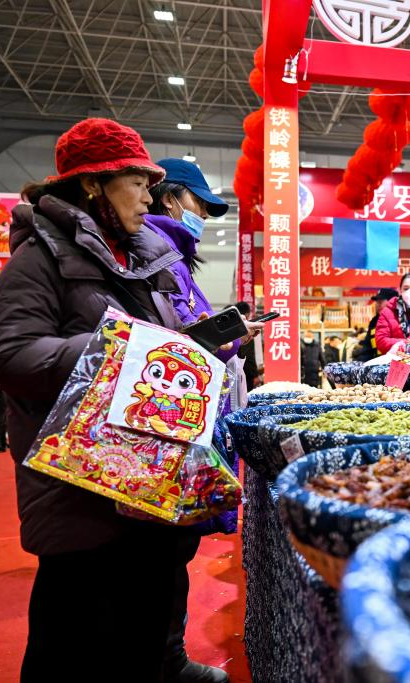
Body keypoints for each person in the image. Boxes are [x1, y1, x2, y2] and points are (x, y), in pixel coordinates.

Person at [0, 118, 187, 681]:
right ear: (93, 184)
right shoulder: (38, 257)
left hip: (146, 479)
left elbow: (158, 345)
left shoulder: (141, 258)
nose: (149, 198)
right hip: (79, 488)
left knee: (143, 639)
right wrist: (118, 348)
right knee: (73, 644)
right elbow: (9, 354)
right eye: (137, 183)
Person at [147, 158, 261, 683]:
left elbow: (188, 334)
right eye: (198, 203)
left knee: (172, 551)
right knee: (159, 553)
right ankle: (162, 662)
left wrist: (230, 336)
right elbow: (171, 340)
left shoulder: (172, 256)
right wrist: (219, 338)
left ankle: (167, 658)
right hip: (163, 422)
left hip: (182, 418)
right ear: (169, 197)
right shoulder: (152, 254)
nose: (203, 216)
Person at [375, 272, 410, 354]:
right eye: (405, 289)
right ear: (400, 290)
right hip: (397, 360)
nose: (409, 292)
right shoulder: (388, 312)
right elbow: (381, 341)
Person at [353, 288, 398, 362]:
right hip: (378, 364)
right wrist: (361, 363)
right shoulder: (374, 322)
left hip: (397, 363)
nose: (378, 304)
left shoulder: (401, 319)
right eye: (377, 302)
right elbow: (368, 348)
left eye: (381, 301)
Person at [233, 301, 260, 390]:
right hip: (244, 374)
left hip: (230, 372)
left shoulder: (231, 329)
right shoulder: (247, 331)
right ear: (247, 314)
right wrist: (255, 375)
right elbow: (249, 356)